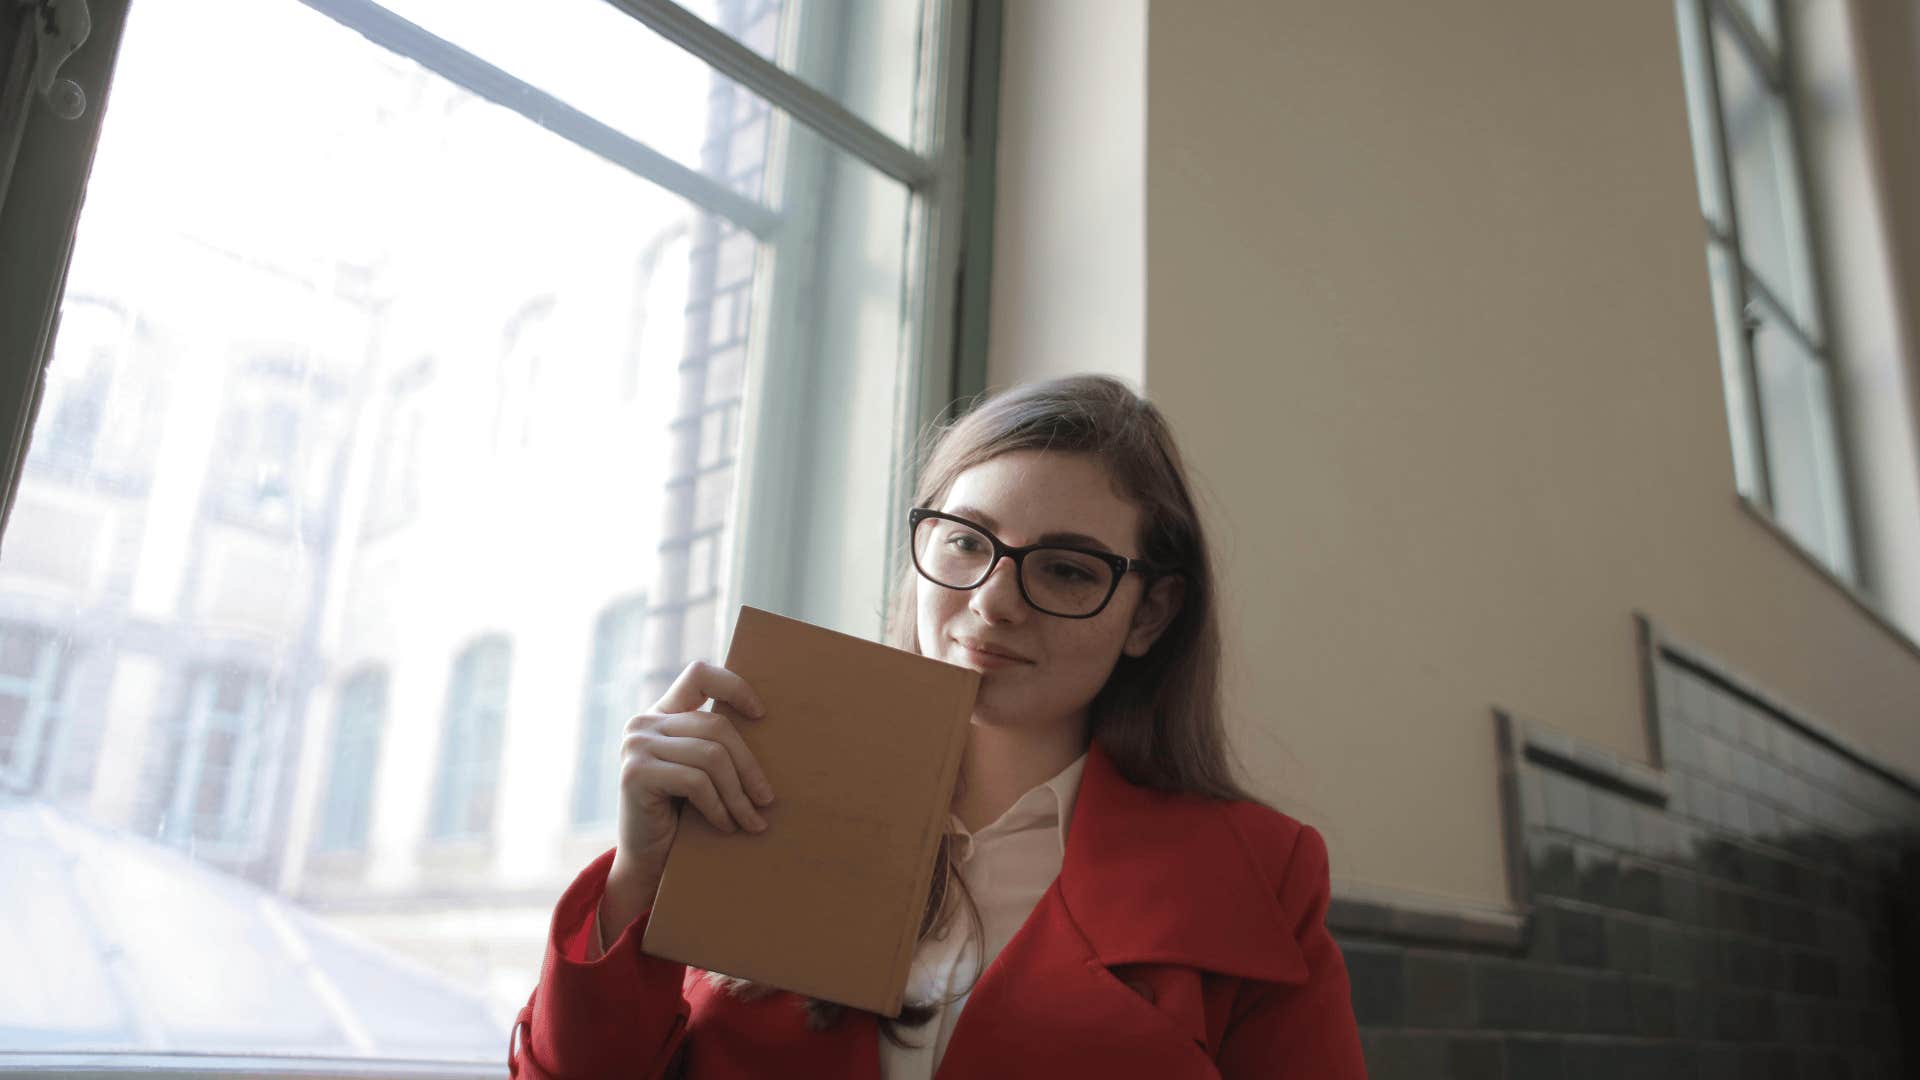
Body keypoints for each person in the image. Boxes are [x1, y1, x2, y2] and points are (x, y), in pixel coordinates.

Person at [508, 375, 1367, 1079]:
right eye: (964, 542)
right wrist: (638, 883)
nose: (992, 603)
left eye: (1067, 569)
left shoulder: (1257, 870)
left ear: (1152, 614)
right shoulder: (755, 786)